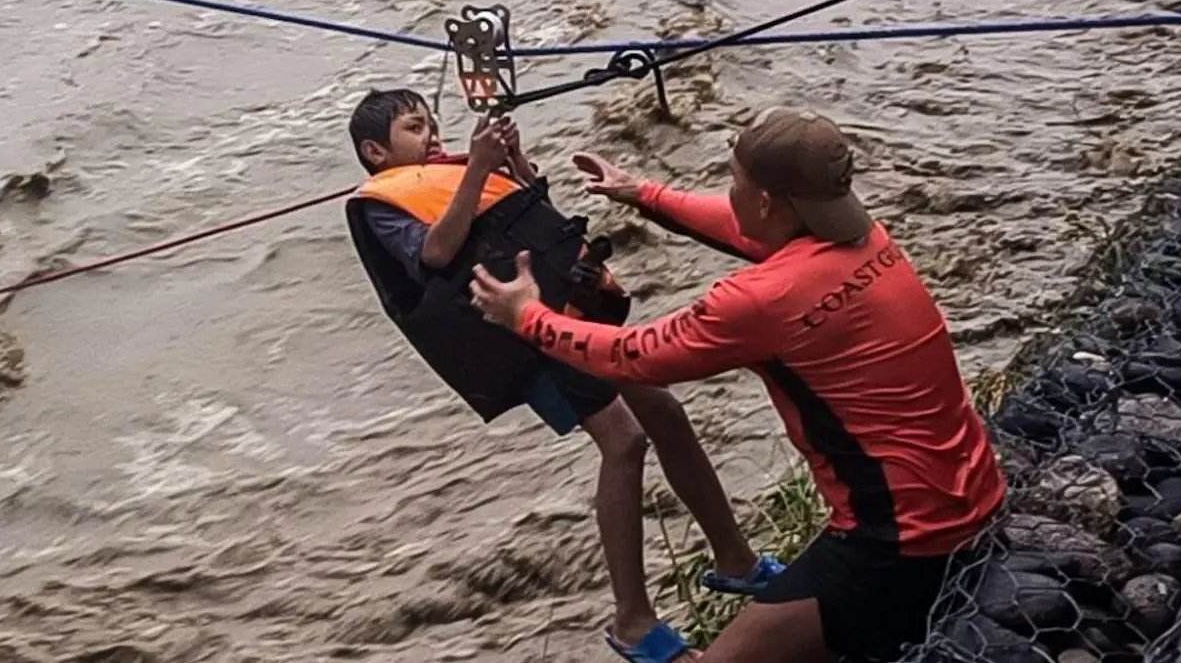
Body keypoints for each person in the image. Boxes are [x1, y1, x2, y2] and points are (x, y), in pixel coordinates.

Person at [468, 107, 1007, 663]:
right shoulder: (867, 239)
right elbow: (738, 225)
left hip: (898, 544)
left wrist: (527, 317)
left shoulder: (763, 301)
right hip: (979, 499)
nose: (729, 193)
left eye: (734, 181)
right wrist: (643, 193)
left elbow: (634, 356)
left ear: (768, 203)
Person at [343, 88, 783, 663]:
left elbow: (530, 210)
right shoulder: (382, 203)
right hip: (520, 335)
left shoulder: (451, 173)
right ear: (376, 152)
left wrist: (512, 163)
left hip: (566, 309)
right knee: (623, 441)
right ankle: (633, 621)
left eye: (432, 123)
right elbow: (435, 253)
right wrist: (477, 169)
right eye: (413, 127)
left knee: (664, 411)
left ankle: (735, 560)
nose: (431, 136)